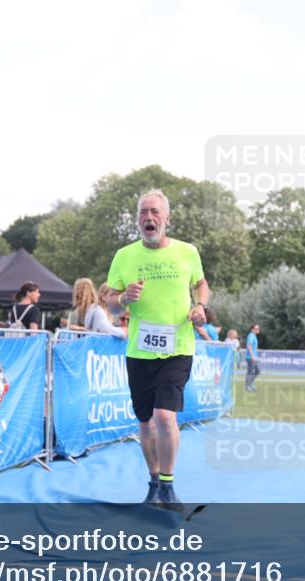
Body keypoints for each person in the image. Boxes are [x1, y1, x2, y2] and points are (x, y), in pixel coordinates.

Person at [104, 189, 210, 511]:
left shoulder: (187, 252)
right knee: (146, 421)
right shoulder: (124, 256)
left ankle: (168, 485)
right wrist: (123, 298)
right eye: (143, 212)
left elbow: (201, 284)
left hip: (178, 346)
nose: (148, 217)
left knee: (165, 415)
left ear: (167, 218)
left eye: (154, 212)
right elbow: (110, 301)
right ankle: (154, 483)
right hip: (140, 351)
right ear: (137, 219)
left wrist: (201, 306)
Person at [245, 323, 260, 392]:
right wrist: (252, 356)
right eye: (256, 328)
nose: (258, 329)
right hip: (250, 357)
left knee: (257, 371)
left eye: (258, 328)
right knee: (250, 372)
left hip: (253, 357)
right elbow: (249, 346)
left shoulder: (254, 336)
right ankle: (247, 386)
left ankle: (250, 384)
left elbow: (253, 347)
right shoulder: (251, 336)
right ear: (252, 329)